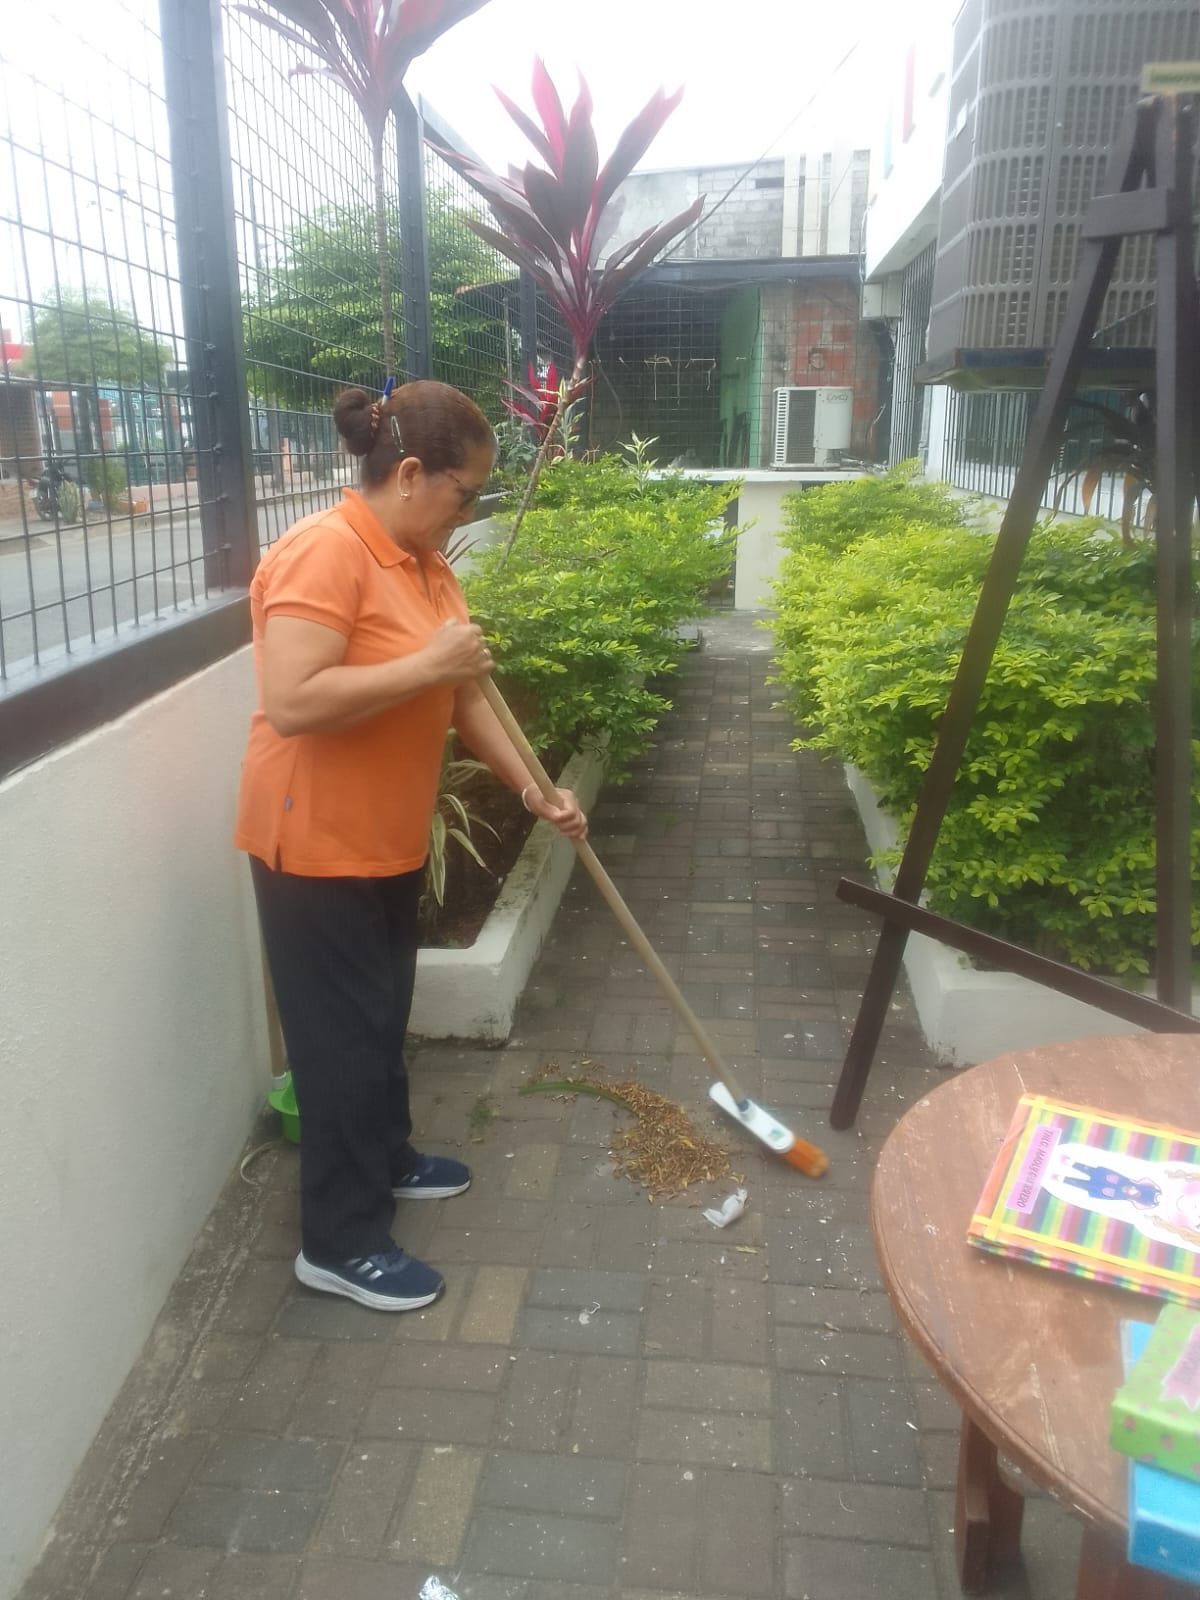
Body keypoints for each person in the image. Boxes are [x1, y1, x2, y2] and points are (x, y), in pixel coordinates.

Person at [235, 380, 587, 1311]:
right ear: (410, 472)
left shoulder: (425, 562)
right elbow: (292, 700)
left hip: (384, 837)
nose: (467, 512)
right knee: (339, 1042)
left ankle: (385, 1157)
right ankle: (339, 1242)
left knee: (382, 1017)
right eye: (463, 492)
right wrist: (427, 661)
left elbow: (466, 696)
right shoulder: (325, 551)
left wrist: (535, 788)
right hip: (313, 843)